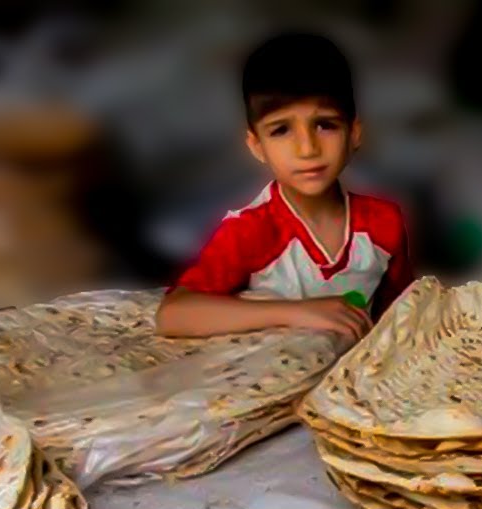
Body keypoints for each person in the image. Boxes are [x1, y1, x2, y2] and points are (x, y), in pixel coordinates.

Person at [156, 31, 414, 341]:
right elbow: (172, 315)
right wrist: (298, 311)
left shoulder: (384, 222)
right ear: (256, 145)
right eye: (281, 130)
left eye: (325, 125)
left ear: (354, 133)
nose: (307, 149)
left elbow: (403, 313)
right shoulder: (251, 230)